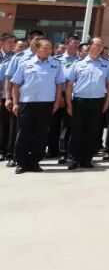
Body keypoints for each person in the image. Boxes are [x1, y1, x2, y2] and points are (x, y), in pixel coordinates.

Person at [9, 36, 65, 173]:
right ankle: (21, 162)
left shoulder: (56, 64)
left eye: (50, 48)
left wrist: (57, 102)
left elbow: (59, 84)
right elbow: (16, 84)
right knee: (24, 134)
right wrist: (15, 103)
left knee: (41, 135)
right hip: (27, 103)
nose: (48, 50)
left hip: (46, 104)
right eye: (45, 48)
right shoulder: (25, 63)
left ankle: (34, 162)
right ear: (37, 49)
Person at [63, 37, 109, 170]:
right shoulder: (78, 64)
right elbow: (69, 85)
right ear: (90, 46)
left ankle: (86, 159)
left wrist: (107, 102)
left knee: (92, 132)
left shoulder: (107, 64)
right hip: (80, 101)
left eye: (101, 44)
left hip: (97, 101)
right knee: (76, 131)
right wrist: (69, 103)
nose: (99, 47)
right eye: (96, 44)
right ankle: (73, 159)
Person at [4, 35, 35, 166]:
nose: (39, 42)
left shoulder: (46, 58)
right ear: (30, 41)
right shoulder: (19, 57)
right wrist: (8, 98)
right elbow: (9, 79)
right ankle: (12, 155)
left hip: (36, 101)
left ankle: (27, 155)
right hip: (20, 99)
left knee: (31, 130)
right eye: (36, 39)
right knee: (16, 129)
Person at [49, 36, 80, 164]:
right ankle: (54, 150)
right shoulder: (57, 60)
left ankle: (66, 151)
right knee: (56, 124)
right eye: (74, 43)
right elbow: (55, 79)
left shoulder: (81, 60)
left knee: (68, 125)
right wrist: (60, 97)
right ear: (67, 44)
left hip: (74, 95)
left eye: (78, 43)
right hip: (60, 94)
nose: (77, 45)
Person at [0, 33, 15, 163]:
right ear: (2, 43)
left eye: (13, 42)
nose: (12, 45)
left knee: (7, 125)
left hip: (7, 96)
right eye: (9, 42)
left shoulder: (14, 57)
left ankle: (5, 150)